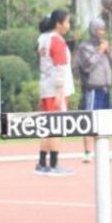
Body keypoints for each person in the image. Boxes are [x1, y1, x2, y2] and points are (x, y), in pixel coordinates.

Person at [36, 10, 75, 176]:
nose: (69, 25)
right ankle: (54, 164)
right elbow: (60, 68)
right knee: (56, 127)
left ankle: (42, 162)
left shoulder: (43, 39)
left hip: (45, 86)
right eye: (67, 22)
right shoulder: (57, 41)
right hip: (55, 88)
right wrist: (60, 91)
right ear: (58, 23)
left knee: (47, 126)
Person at [76, 19, 112, 163]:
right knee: (90, 118)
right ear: (92, 30)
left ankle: (104, 151)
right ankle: (87, 152)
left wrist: (109, 53)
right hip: (92, 87)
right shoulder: (85, 47)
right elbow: (87, 65)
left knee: (105, 120)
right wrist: (99, 51)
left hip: (105, 87)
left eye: (103, 29)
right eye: (99, 29)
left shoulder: (105, 45)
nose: (101, 32)